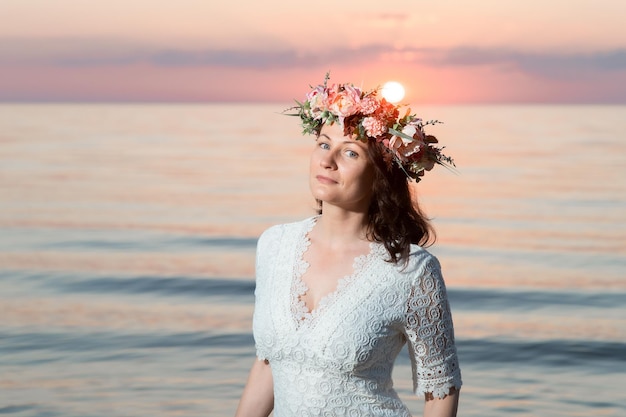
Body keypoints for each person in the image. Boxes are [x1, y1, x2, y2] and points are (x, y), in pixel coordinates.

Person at [235, 74, 462, 417]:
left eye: (350, 153)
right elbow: (268, 363)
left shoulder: (412, 270)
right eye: (324, 144)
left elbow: (441, 389)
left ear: (380, 174)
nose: (328, 160)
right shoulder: (275, 244)